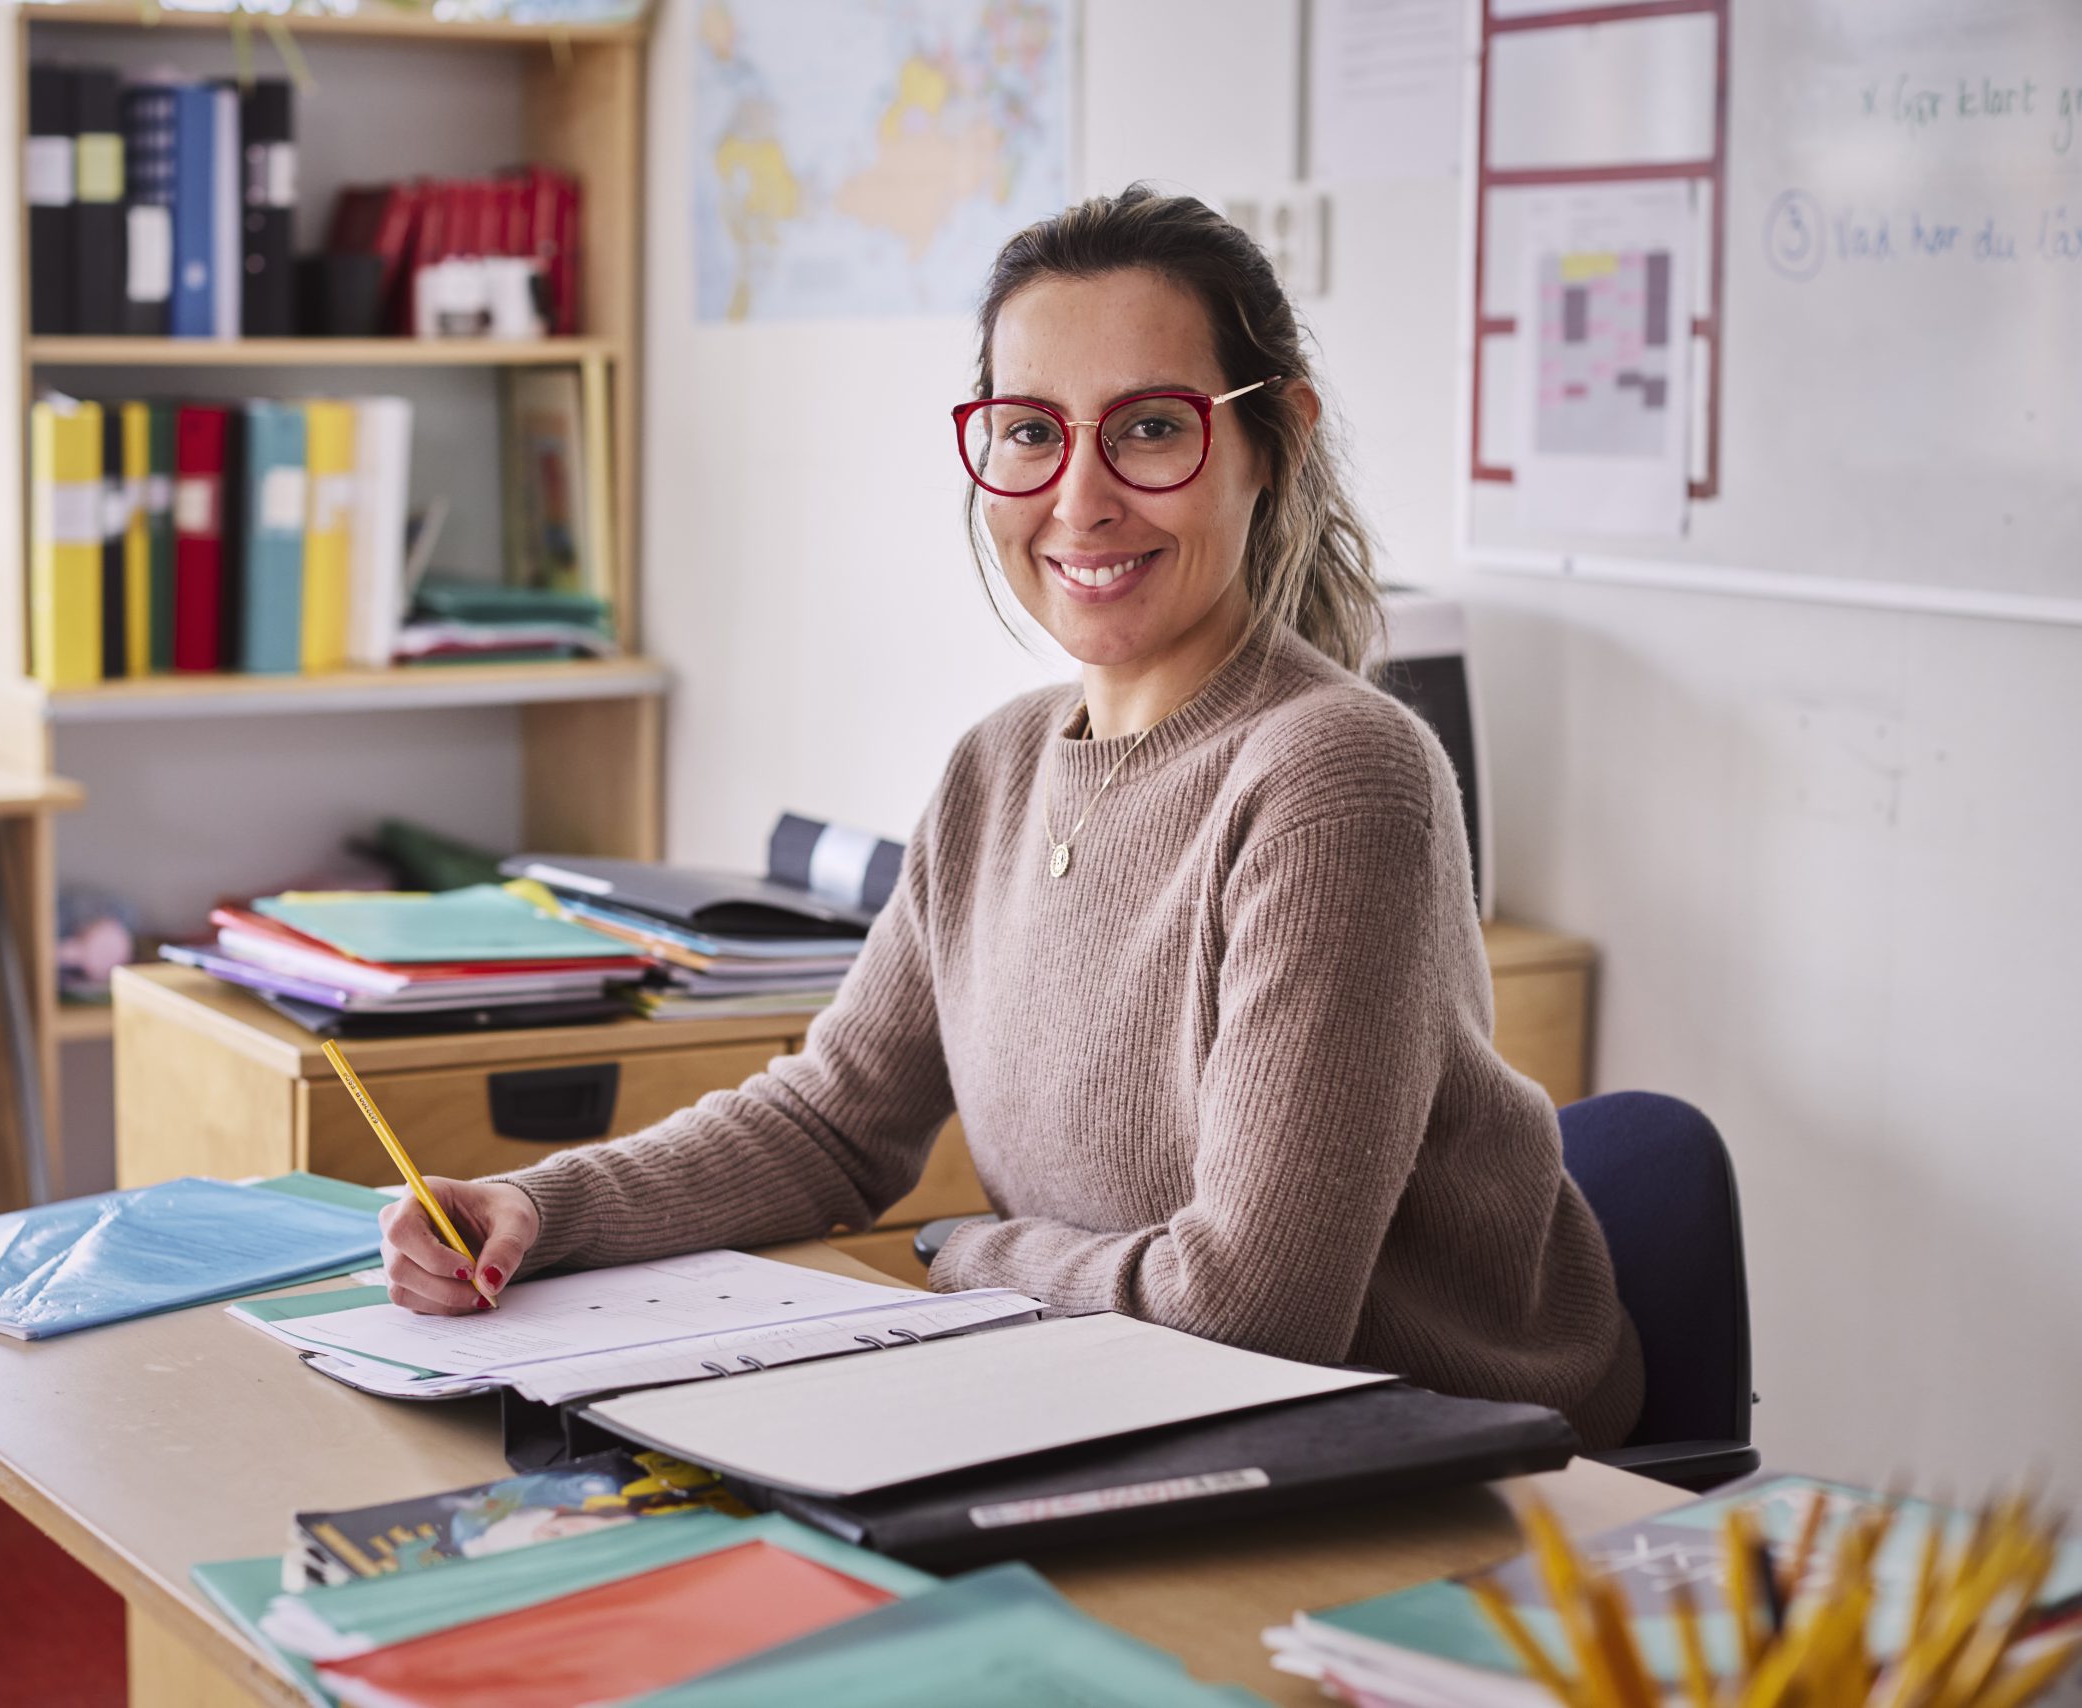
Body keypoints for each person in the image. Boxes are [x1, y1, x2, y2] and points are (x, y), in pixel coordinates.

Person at [378, 185, 1643, 1447]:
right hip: (1134, 1411)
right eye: (1030, 431)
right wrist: (541, 1208)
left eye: (1151, 428)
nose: (1080, 499)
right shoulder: (997, 766)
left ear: (1277, 440)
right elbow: (831, 1121)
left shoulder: (1337, 774)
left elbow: (1256, 1314)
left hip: (1444, 1465)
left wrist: (976, 1256)